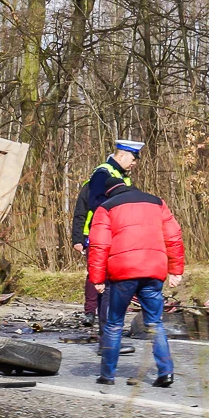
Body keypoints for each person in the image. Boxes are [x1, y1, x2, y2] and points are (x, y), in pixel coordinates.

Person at [88, 177, 185, 387]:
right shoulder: (156, 202)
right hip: (154, 271)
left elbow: (99, 245)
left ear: (108, 193)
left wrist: (97, 278)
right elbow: (173, 236)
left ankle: (107, 375)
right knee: (154, 323)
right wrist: (176, 270)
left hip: (123, 272)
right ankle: (166, 373)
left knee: (114, 324)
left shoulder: (106, 208)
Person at [83, 141, 139, 334]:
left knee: (114, 283)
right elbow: (95, 203)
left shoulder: (123, 177)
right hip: (104, 233)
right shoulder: (103, 173)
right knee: (106, 285)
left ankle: (109, 334)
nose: (134, 164)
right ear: (122, 155)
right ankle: (107, 336)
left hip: (117, 233)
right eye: (133, 159)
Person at [71, 180, 98, 326]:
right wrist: (77, 239)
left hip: (115, 236)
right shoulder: (90, 186)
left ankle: (109, 314)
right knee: (93, 274)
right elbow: (80, 213)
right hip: (92, 236)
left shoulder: (123, 184)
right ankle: (90, 312)